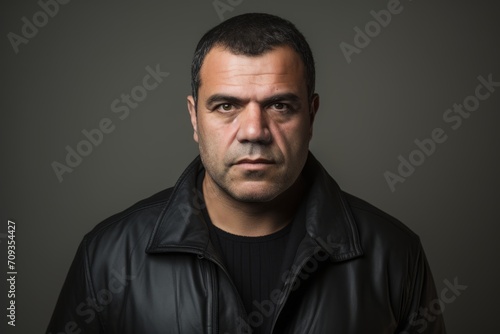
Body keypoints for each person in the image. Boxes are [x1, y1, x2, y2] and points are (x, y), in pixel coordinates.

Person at [47, 13, 446, 334]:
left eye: (280, 106)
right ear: (193, 116)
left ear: (311, 116)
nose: (254, 131)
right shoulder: (107, 256)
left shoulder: (394, 254)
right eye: (226, 106)